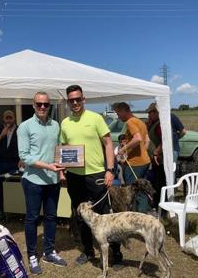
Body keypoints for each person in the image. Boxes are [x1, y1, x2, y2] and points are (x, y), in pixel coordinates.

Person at [60, 85, 123, 269]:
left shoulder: (96, 118)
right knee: (81, 216)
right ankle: (88, 251)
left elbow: (109, 143)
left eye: (78, 99)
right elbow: (64, 150)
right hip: (75, 177)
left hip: (96, 175)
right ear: (68, 101)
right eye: (71, 100)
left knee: (106, 216)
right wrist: (62, 172)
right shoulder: (65, 123)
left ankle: (116, 253)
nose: (75, 103)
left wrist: (110, 169)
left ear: (84, 99)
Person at [17, 91, 67, 275]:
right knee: (32, 218)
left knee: (51, 217)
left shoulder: (55, 125)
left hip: (53, 180)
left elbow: (59, 151)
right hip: (33, 181)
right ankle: (31, 254)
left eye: (46, 104)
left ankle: (49, 252)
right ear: (33, 104)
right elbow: (24, 157)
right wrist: (48, 167)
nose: (43, 107)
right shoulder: (24, 127)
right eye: (39, 104)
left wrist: (60, 173)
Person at [146, 102, 186, 208]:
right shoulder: (154, 122)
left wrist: (174, 139)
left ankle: (169, 198)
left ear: (156, 112)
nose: (148, 115)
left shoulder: (170, 117)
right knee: (163, 174)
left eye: (150, 113)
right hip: (161, 152)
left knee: (169, 173)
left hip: (170, 151)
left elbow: (183, 131)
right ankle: (164, 197)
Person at [113, 102, 151, 184]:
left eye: (118, 113)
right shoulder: (140, 122)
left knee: (132, 190)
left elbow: (137, 139)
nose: (118, 117)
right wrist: (143, 152)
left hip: (135, 164)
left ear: (123, 111)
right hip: (145, 161)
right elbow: (147, 140)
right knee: (142, 189)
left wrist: (123, 149)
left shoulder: (130, 122)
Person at [0, 110, 20, 220]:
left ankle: (13, 211)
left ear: (14, 118)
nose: (9, 120)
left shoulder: (20, 130)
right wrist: (1, 135)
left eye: (11, 117)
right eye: (6, 118)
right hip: (1, 162)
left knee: (12, 186)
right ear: (3, 119)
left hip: (14, 163)